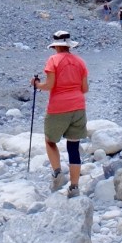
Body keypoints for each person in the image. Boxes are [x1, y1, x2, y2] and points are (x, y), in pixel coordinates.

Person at [31, 30, 89, 198]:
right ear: (69, 45)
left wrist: (36, 84)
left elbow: (49, 85)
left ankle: (57, 173)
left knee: (50, 141)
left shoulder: (53, 60)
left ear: (56, 46)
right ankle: (74, 187)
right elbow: (85, 89)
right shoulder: (80, 62)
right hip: (78, 107)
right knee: (73, 147)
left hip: (58, 107)